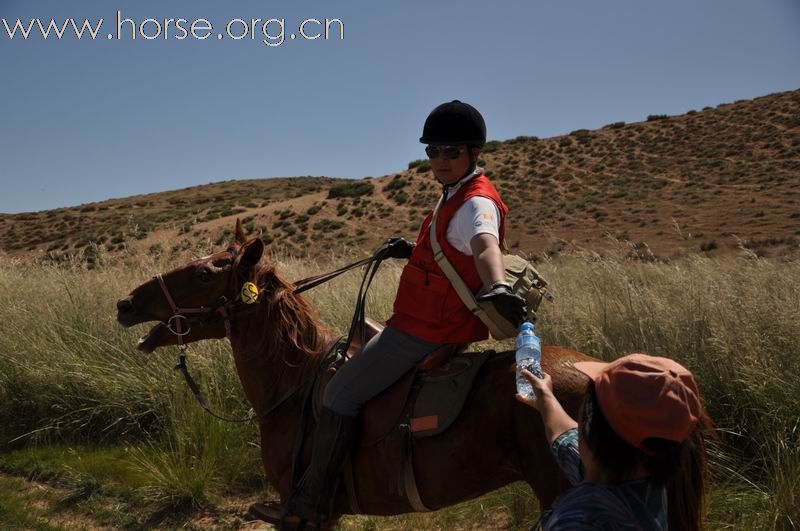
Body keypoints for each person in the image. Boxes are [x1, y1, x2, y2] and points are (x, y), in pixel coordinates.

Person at [266, 100, 527, 528]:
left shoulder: (475, 204)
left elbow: (484, 245)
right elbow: (457, 249)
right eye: (433, 152)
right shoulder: (456, 194)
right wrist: (413, 249)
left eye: (451, 152)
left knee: (340, 393)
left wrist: (496, 284)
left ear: (473, 153)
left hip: (426, 329)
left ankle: (312, 506)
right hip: (424, 319)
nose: (440, 161)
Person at [517, 353, 713, 531]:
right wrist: (546, 400)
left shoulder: (579, 522)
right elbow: (566, 440)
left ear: (588, 425)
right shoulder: (643, 484)